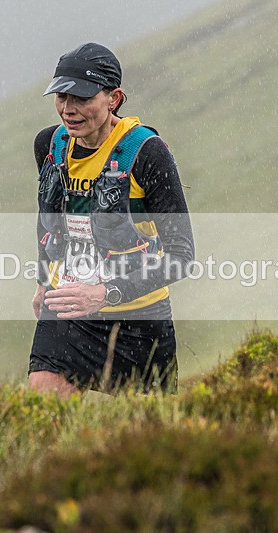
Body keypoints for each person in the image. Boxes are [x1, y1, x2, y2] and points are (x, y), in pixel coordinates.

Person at [29, 43, 195, 396]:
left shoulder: (147, 153)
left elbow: (182, 257)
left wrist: (106, 294)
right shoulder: (50, 144)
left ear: (114, 98)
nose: (68, 110)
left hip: (141, 318)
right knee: (41, 413)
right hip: (68, 309)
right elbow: (48, 222)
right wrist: (45, 280)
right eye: (61, 96)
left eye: (82, 98)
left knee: (152, 439)